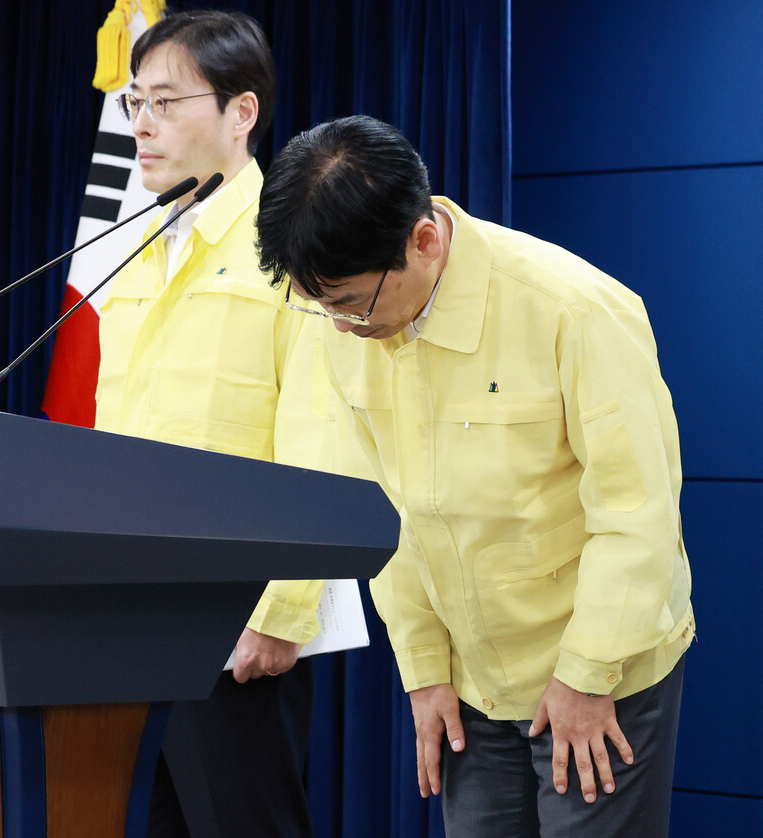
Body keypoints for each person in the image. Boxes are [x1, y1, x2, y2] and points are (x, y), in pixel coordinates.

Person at [256, 114, 694, 836]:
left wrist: (588, 676)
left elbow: (637, 513)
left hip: (600, 668)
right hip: (472, 682)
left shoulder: (573, 309)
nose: (337, 326)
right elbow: (388, 516)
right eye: (317, 304)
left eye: (347, 302)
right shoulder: (351, 330)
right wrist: (425, 671)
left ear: (423, 240)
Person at [94, 11, 321, 837]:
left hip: (235, 622)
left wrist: (284, 607)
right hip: (126, 614)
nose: (142, 125)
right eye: (133, 103)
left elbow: (316, 435)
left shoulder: (290, 242)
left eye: (164, 101)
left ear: (242, 112)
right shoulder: (136, 243)